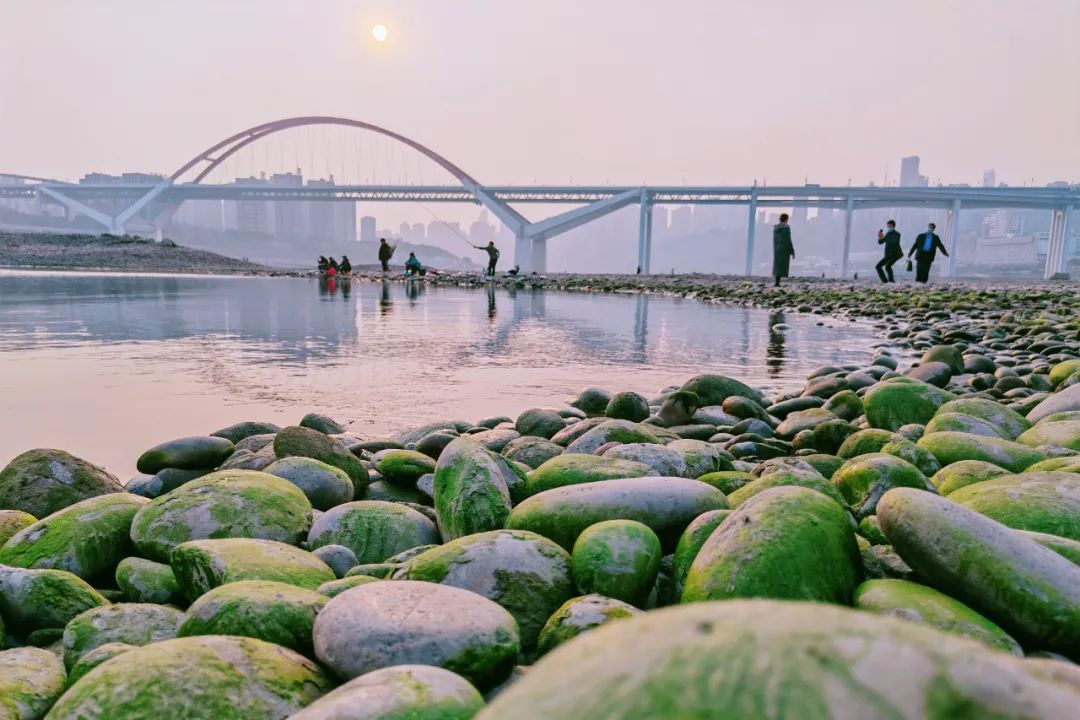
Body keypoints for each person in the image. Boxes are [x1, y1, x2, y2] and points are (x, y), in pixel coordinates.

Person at [772, 213, 794, 287]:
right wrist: (792, 251)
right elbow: (788, 240)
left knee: (777, 265)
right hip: (784, 248)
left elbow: (774, 240)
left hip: (777, 248)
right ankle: (778, 282)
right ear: (786, 219)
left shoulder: (775, 228)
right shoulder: (786, 228)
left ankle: (777, 281)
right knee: (782, 266)